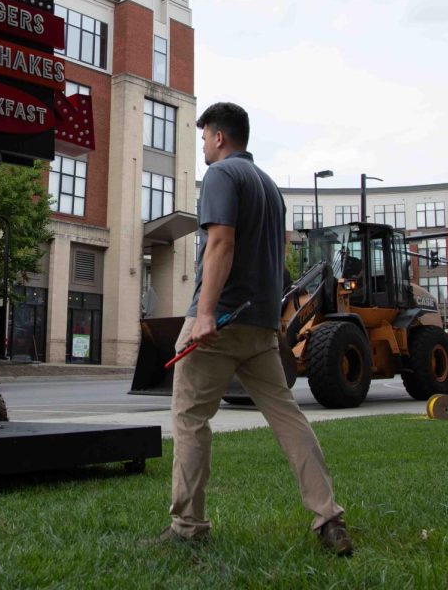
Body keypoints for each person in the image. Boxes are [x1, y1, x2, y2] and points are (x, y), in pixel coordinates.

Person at [156, 102, 352, 556]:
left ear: (220, 137)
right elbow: (276, 255)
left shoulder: (222, 176)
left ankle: (188, 526)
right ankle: (329, 518)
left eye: (204, 137)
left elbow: (221, 242)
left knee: (190, 420)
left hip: (218, 322)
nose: (202, 145)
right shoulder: (268, 186)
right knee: (288, 419)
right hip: (261, 326)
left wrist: (204, 314)